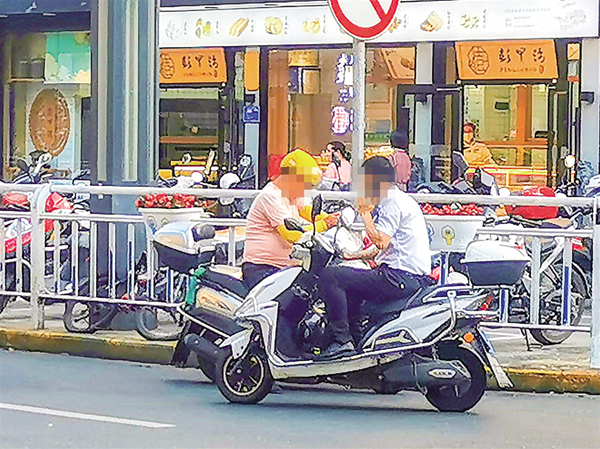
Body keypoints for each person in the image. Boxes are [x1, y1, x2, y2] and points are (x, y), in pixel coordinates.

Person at [317, 156, 432, 359]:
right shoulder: (400, 199)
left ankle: (340, 341)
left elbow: (381, 242)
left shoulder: (392, 202)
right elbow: (385, 248)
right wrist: (353, 256)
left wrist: (364, 213)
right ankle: (356, 339)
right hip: (405, 275)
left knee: (331, 276)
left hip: (398, 277)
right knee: (349, 282)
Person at [243, 149, 339, 289]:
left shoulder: (293, 194)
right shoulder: (271, 196)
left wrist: (330, 217)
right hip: (263, 266)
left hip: (285, 266)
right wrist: (325, 224)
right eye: (304, 183)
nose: (305, 189)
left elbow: (307, 211)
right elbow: (291, 234)